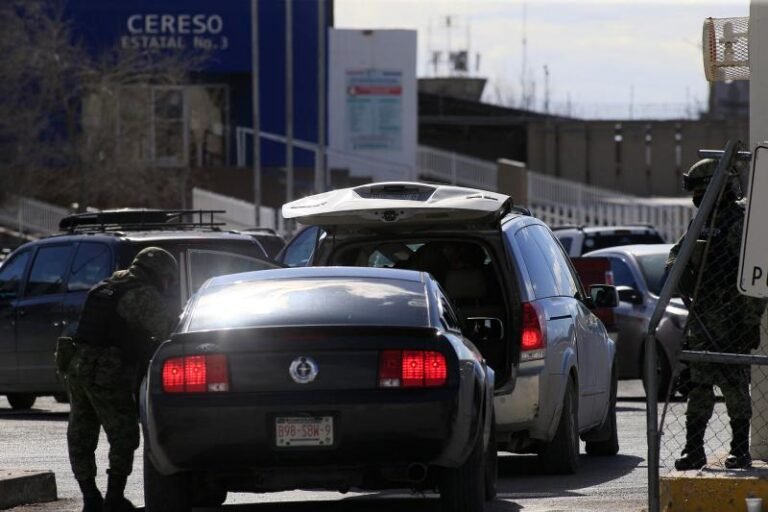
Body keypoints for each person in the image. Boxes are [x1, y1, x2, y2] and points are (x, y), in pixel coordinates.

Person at [668, 159, 767, 471]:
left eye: (701, 188)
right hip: (704, 315)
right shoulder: (702, 221)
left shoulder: (741, 222)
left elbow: (755, 279)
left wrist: (748, 323)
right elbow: (678, 254)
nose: (696, 195)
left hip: (733, 317)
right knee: (698, 386)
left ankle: (740, 449)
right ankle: (693, 448)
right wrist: (678, 268)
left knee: (734, 384)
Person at [64, 247, 179, 511]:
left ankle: (90, 498)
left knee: (81, 433)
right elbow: (167, 331)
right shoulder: (141, 294)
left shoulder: (109, 283)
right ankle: (114, 498)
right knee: (124, 433)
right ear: (161, 273)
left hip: (77, 366)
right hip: (106, 371)